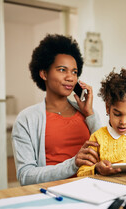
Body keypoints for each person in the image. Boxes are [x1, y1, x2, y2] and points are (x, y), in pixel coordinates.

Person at [12, 34, 102, 186]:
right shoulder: (26, 119)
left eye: (74, 72)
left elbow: (106, 153)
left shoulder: (87, 114)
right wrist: (73, 164)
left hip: (92, 187)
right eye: (62, 70)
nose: (70, 77)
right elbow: (25, 175)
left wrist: (90, 115)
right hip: (52, 192)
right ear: (44, 73)